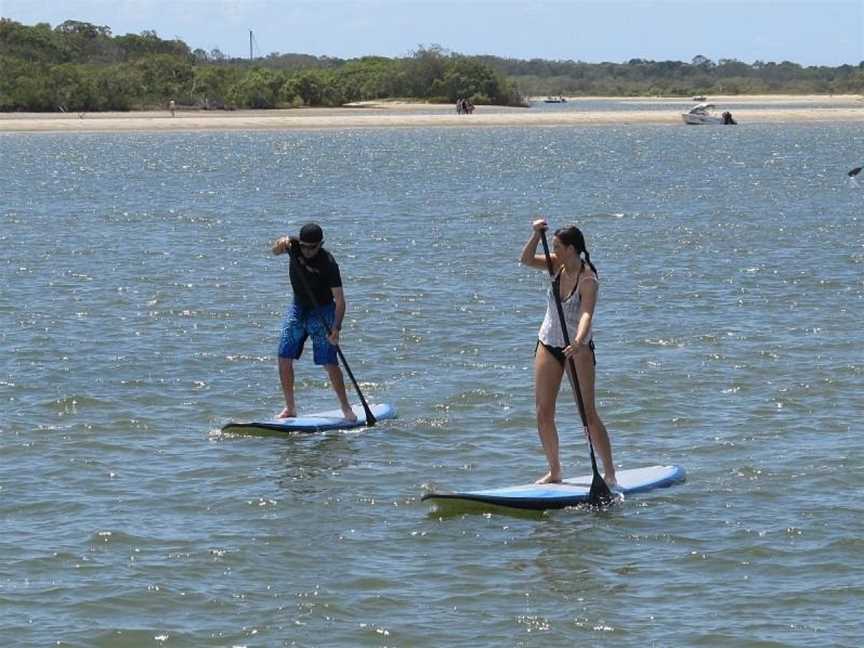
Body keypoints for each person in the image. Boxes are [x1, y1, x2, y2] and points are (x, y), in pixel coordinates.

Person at [519, 218, 616, 487]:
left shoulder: (588, 280)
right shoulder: (555, 265)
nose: (554, 250)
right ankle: (555, 470)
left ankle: (609, 473)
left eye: (558, 246)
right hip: (548, 342)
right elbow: (526, 259)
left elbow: (586, 314)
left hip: (578, 348)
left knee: (587, 413)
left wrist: (579, 340)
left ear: (571, 249)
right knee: (543, 412)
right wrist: (534, 233)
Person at [272, 223, 357, 422]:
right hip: (298, 308)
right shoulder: (293, 246)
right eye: (304, 247)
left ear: (320, 244)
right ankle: (290, 408)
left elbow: (340, 300)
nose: (308, 251)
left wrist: (336, 328)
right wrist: (281, 242)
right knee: (283, 356)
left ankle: (346, 408)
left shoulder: (328, 264)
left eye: (313, 247)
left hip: (323, 311)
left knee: (328, 361)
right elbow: (275, 250)